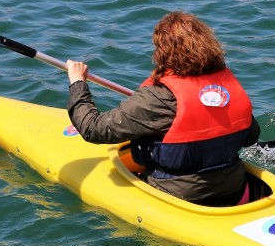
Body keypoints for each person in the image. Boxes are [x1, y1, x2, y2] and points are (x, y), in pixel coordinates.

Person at [66, 11, 261, 206]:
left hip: (181, 199)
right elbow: (251, 137)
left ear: (163, 52)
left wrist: (77, 82)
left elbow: (93, 129)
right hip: (236, 191)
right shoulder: (226, 88)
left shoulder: (157, 98)